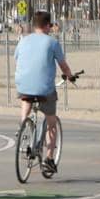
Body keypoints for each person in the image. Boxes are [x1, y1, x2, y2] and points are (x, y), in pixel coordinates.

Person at [14, 10, 77, 175]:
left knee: (26, 98)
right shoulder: (52, 43)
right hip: (44, 89)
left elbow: (17, 58)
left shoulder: (23, 41)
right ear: (48, 25)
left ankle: (23, 125)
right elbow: (63, 65)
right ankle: (49, 158)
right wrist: (70, 76)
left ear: (34, 25)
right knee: (51, 123)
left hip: (23, 85)